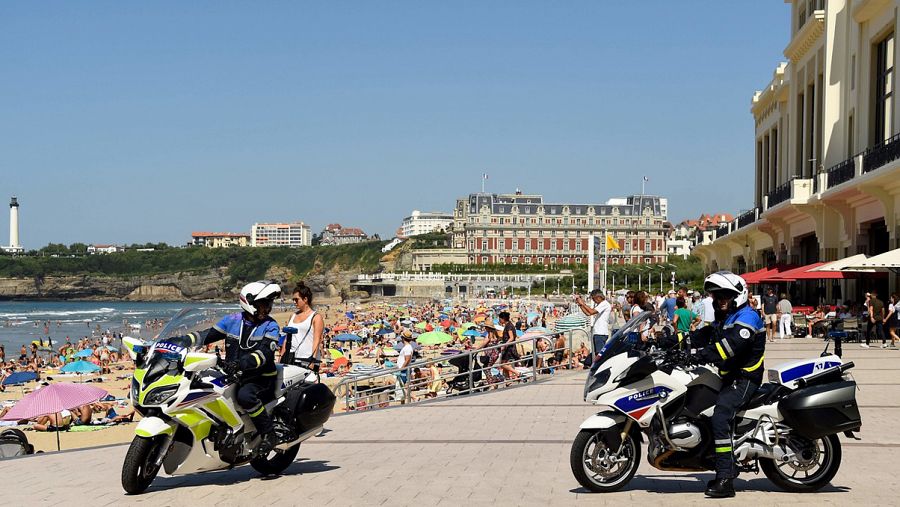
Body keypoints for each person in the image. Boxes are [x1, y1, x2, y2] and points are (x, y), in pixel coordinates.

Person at [690, 271, 766, 498]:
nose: (719, 300)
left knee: (721, 416)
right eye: (716, 296)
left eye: (724, 295)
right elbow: (706, 335)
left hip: (744, 379)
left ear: (738, 295)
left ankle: (725, 476)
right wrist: (672, 341)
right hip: (728, 377)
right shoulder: (727, 318)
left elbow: (731, 345)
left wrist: (702, 355)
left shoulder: (747, 317)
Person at [186, 280, 283, 455]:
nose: (267, 309)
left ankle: (269, 434)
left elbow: (265, 354)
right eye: (263, 304)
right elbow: (207, 335)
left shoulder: (271, 326)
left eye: (269, 304)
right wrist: (181, 341)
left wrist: (241, 364)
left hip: (261, 378)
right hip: (233, 375)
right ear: (250, 302)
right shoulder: (232, 320)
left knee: (245, 396)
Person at [280, 282, 325, 370]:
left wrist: (313, 359)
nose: (294, 302)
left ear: (305, 299)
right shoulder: (292, 316)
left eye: (296, 299)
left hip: (307, 359)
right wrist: (281, 356)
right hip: (291, 358)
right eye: (293, 299)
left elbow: (317, 340)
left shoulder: (316, 317)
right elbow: (286, 339)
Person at [575, 289, 611, 360]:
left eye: (594, 299)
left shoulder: (604, 304)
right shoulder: (601, 304)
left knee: (599, 354)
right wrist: (580, 305)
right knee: (598, 353)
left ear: (598, 297)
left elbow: (591, 311)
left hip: (600, 332)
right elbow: (588, 313)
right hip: (598, 332)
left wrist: (583, 304)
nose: (594, 301)